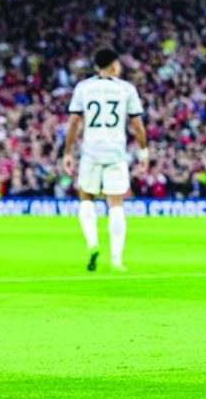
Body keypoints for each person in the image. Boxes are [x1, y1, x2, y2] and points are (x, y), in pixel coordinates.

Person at [62, 48, 148, 272]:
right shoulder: (126, 89)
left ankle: (92, 244)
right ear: (112, 66)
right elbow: (137, 125)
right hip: (116, 152)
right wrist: (143, 151)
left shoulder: (84, 88)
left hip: (91, 151)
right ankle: (116, 259)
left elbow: (73, 122)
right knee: (116, 204)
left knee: (86, 198)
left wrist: (68, 152)